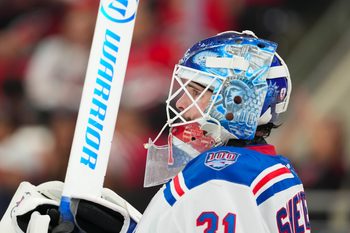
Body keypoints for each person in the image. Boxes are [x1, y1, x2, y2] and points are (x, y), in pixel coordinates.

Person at [0, 30, 311, 232]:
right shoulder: (270, 168)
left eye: (196, 90)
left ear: (237, 101)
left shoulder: (219, 174)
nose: (181, 102)